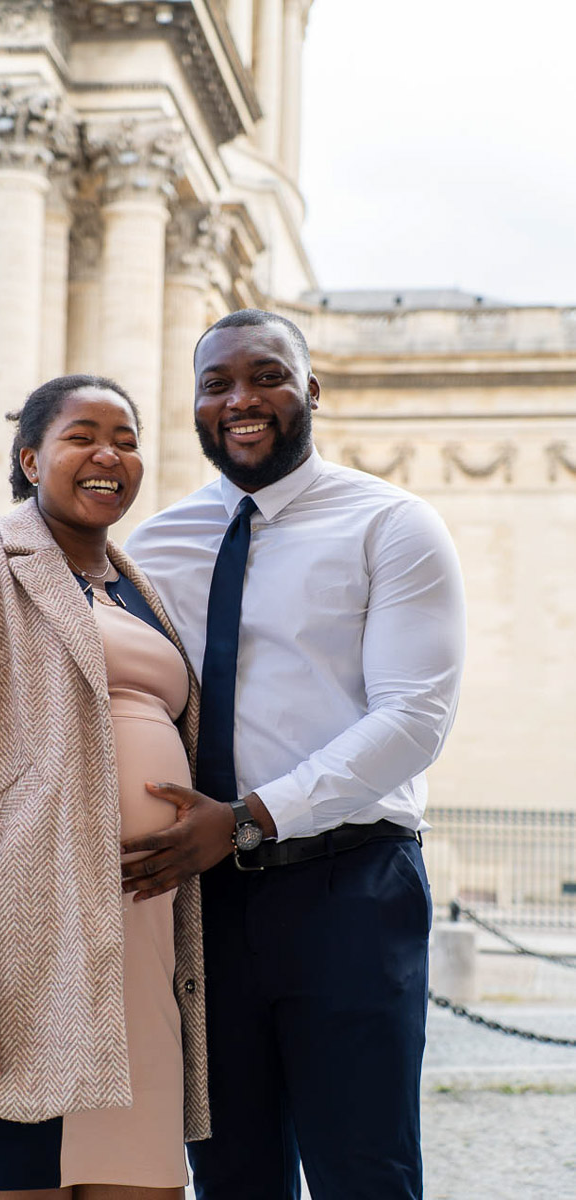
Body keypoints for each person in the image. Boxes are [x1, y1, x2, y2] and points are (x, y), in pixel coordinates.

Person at [122, 310, 467, 1200]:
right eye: (216, 384)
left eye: (266, 375)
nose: (241, 399)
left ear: (310, 389)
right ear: (196, 407)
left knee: (365, 1172)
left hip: (347, 890)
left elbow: (414, 718)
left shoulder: (391, 524)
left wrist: (249, 818)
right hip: (200, 903)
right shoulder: (153, 548)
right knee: (230, 1175)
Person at [0, 374, 210, 1200]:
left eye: (126, 439)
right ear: (30, 457)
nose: (109, 455)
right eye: (82, 435)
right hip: (21, 946)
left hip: (143, 943)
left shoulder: (143, 591)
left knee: (148, 1182)